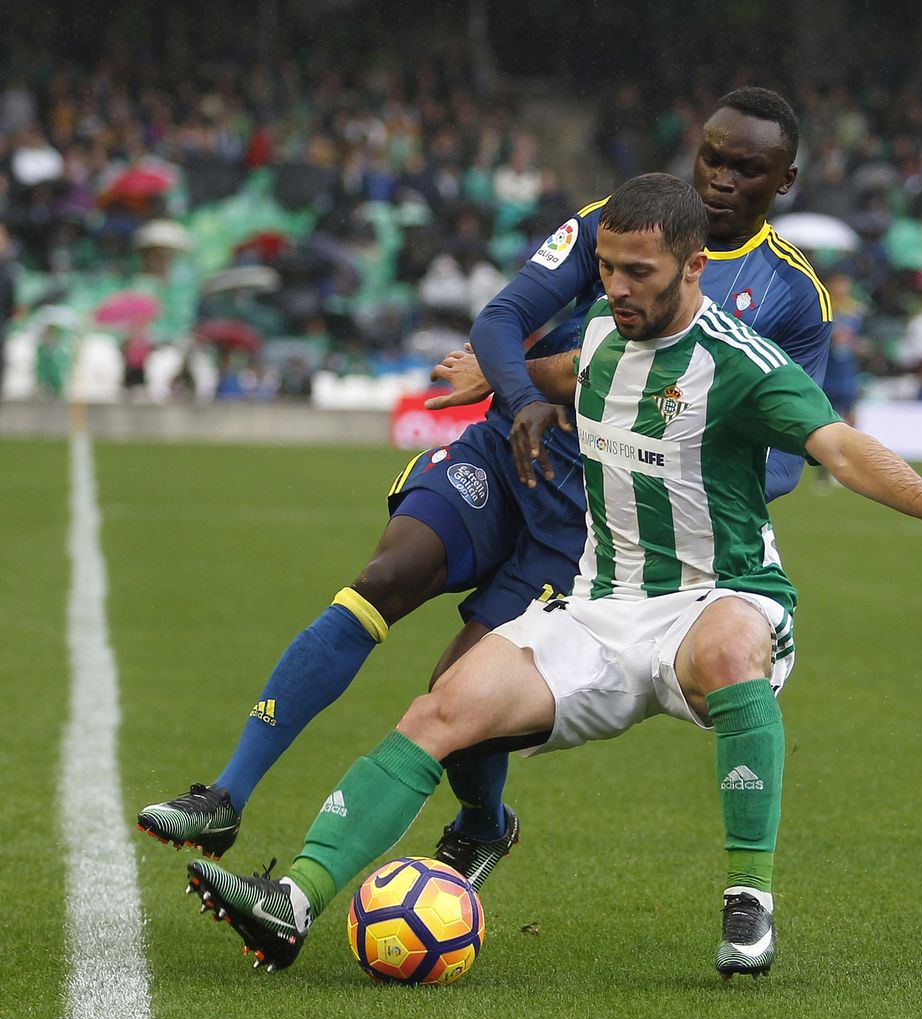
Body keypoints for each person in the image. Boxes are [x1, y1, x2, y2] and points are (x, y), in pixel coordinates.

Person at [181, 173, 922, 980]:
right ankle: (292, 900)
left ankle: (748, 900)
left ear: (695, 268)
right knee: (444, 706)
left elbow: (839, 445)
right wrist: (495, 376)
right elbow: (568, 369)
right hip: (596, 611)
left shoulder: (743, 364)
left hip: (716, 600)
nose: (615, 287)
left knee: (736, 648)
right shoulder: (601, 337)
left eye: (638, 273)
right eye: (607, 268)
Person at [137, 88, 832, 890]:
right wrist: (526, 399)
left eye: (749, 169)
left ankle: (480, 824)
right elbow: (502, 320)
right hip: (508, 449)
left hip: (586, 519)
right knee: (382, 580)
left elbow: (791, 454)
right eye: (714, 156)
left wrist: (666, 459)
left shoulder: (790, 296)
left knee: (455, 693)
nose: (722, 179)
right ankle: (224, 794)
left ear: (783, 181)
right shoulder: (615, 220)